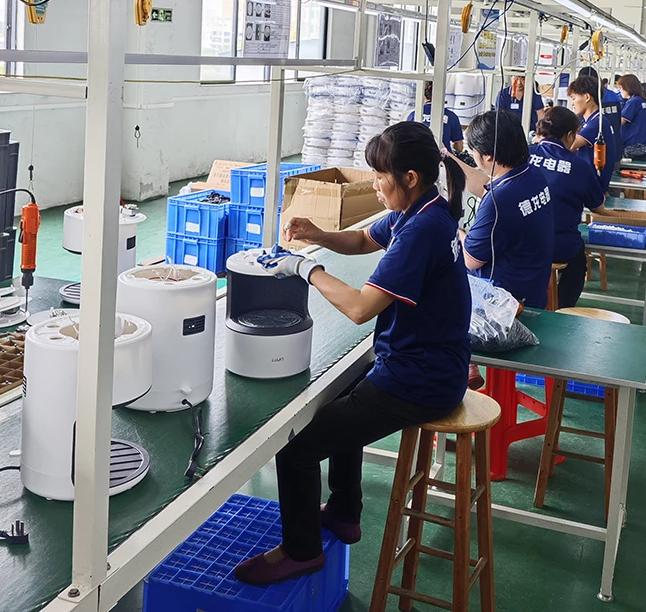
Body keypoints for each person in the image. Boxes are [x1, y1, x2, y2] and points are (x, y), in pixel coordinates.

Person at [233, 121, 471, 586]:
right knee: (344, 403)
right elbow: (364, 240)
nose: (375, 184)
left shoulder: (421, 230)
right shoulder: (426, 208)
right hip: (431, 363)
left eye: (380, 176)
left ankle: (301, 551)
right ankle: (344, 512)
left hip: (420, 379)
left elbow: (361, 308)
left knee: (297, 450)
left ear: (409, 178)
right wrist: (318, 234)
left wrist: (304, 268)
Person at [451, 109, 554, 309]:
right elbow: (485, 186)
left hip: (501, 305)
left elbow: (471, 260)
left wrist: (456, 230)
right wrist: (448, 159)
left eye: (473, 151)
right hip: (532, 289)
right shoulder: (532, 175)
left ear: (488, 156)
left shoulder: (498, 201)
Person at [528, 107, 605, 307]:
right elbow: (598, 207)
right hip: (560, 247)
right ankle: (562, 308)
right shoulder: (580, 167)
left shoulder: (523, 155)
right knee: (578, 264)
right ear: (570, 135)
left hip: (521, 243)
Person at [566, 75, 618, 192]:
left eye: (573, 98)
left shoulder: (597, 123)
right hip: (588, 182)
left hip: (592, 189)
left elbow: (570, 144)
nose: (572, 103)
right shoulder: (594, 120)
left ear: (587, 97)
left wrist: (545, 138)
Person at [575, 66, 624, 165]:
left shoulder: (593, 105)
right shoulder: (614, 96)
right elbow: (619, 121)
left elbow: (575, 139)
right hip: (615, 148)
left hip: (598, 155)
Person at [406, 80, 464, 153]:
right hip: (442, 158)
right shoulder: (451, 116)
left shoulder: (413, 115)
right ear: (442, 96)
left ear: (423, 96)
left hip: (418, 156)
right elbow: (459, 146)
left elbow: (406, 140)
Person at [619, 74, 646, 160]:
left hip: (633, 145)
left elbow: (621, 121)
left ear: (628, 88)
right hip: (642, 144)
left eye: (621, 88)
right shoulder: (641, 100)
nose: (620, 90)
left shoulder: (633, 102)